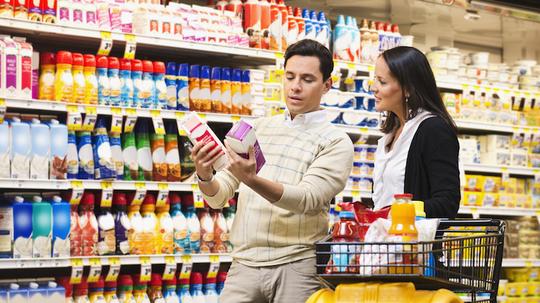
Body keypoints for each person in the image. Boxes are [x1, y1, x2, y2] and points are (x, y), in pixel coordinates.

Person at [190, 39, 353, 303]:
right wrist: (205, 174)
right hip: (244, 264)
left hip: (298, 266)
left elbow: (306, 199)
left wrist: (251, 180)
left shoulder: (335, 141)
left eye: (307, 79)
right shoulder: (258, 128)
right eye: (290, 77)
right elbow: (217, 197)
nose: (295, 86)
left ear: (327, 86)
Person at [371, 46, 461, 218]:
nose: (374, 87)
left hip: (414, 241)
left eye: (382, 82)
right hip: (386, 241)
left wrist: (400, 211)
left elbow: (447, 202)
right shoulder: (392, 132)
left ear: (408, 89)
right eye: (375, 79)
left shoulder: (433, 130)